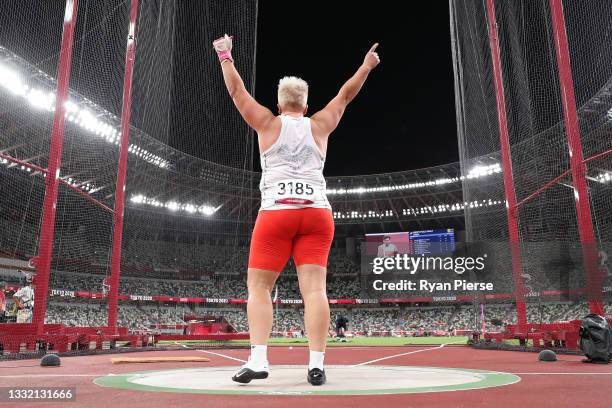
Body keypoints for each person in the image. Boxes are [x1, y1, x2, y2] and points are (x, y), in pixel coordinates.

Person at [213, 34, 380, 385]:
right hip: (316, 212)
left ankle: (259, 359)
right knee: (315, 291)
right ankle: (316, 365)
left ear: (278, 104)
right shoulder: (319, 125)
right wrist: (365, 66)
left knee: (259, 287)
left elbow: (237, 92)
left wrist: (225, 54)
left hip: (276, 212)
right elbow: (345, 94)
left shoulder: (267, 123)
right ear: (305, 106)